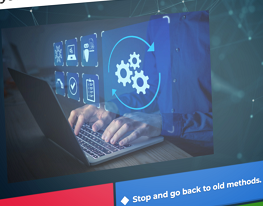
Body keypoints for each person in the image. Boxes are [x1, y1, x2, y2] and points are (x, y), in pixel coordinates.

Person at [67, 12, 212, 148]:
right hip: (162, 143)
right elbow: (152, 91)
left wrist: (165, 123)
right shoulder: (158, 20)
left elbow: (232, 119)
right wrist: (112, 107)